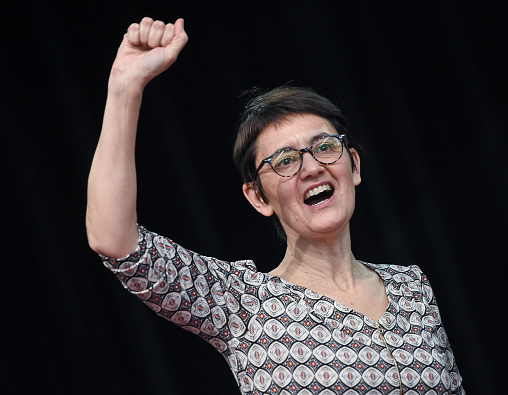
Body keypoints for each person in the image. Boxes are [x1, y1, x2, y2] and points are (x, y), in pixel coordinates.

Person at [87, 17, 465, 395]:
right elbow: (115, 240)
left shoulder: (411, 288)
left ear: (354, 165)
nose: (313, 167)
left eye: (325, 147)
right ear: (258, 197)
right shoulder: (242, 304)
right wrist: (125, 88)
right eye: (285, 160)